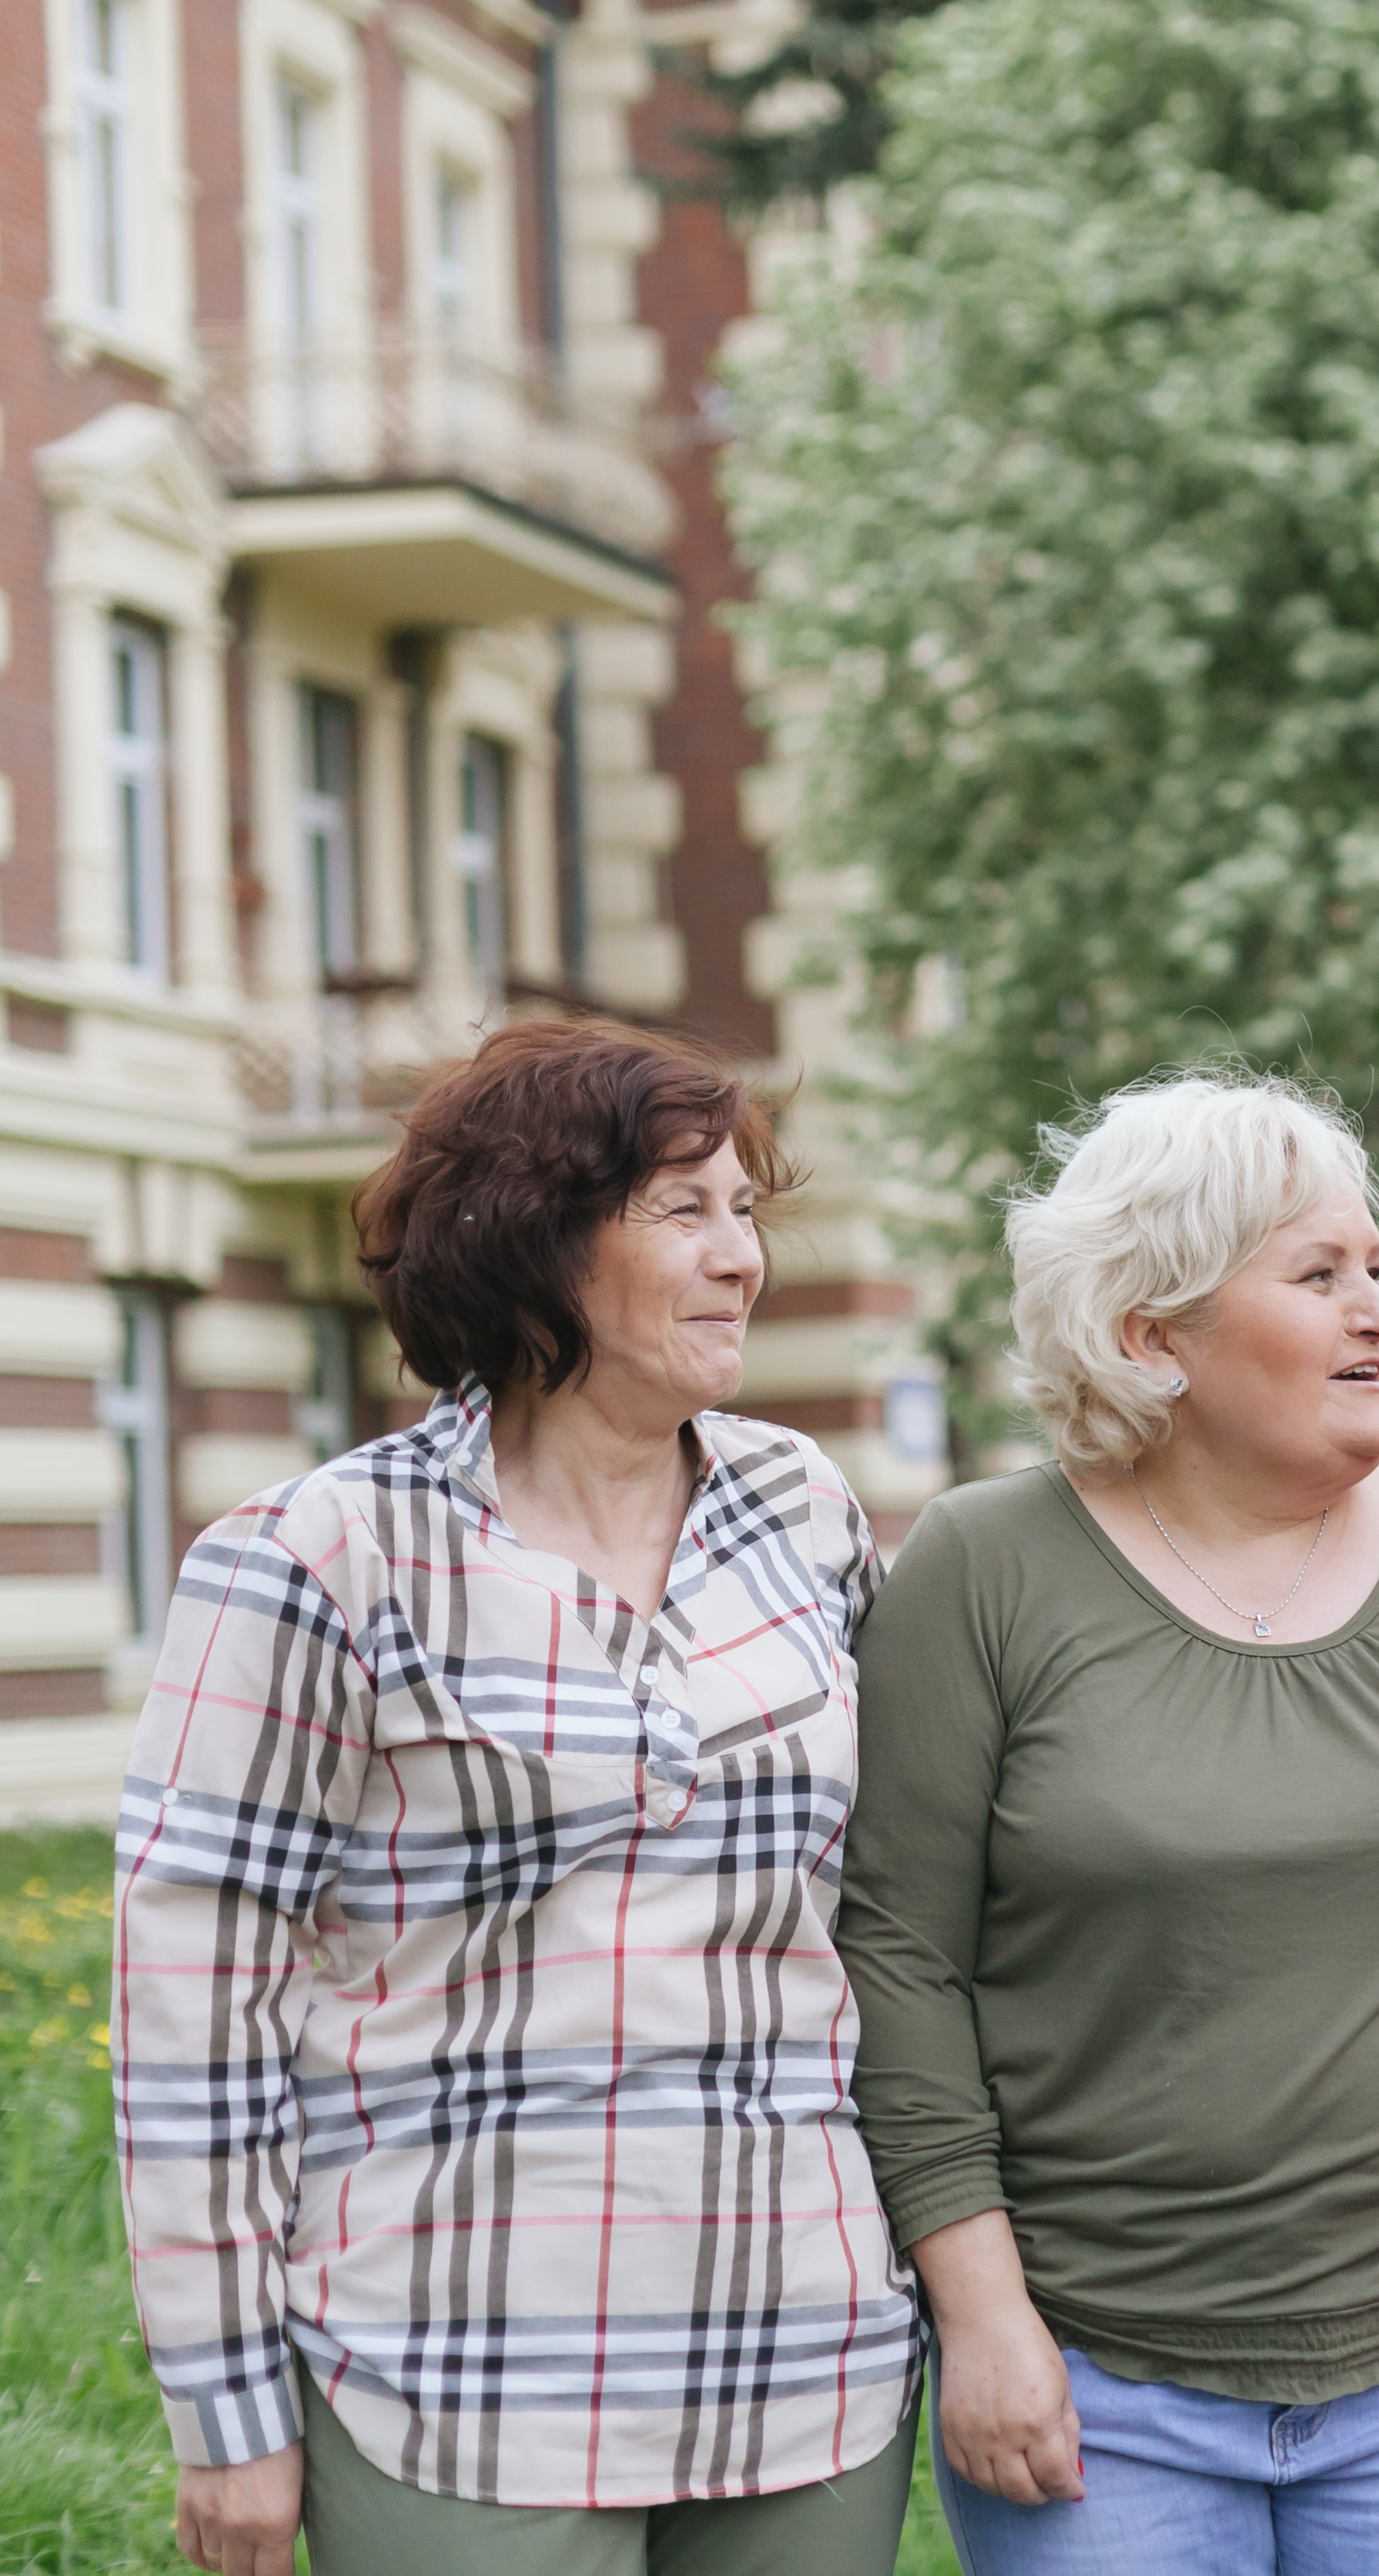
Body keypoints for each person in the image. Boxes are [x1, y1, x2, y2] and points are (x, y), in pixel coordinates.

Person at [114, 1019, 921, 2576]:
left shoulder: (804, 1511)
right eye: (684, 1211)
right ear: (538, 1238)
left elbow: (884, 1908)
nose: (741, 1257)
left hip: (805, 2358)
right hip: (461, 2373)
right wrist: (227, 2412)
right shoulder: (320, 1556)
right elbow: (195, 2016)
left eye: (746, 1211)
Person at [836, 1070, 1379, 2576]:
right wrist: (983, 2320)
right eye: (1319, 1276)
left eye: (1375, 1267)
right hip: (1096, 2384)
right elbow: (900, 1964)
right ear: (1150, 1336)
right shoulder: (983, 1569)